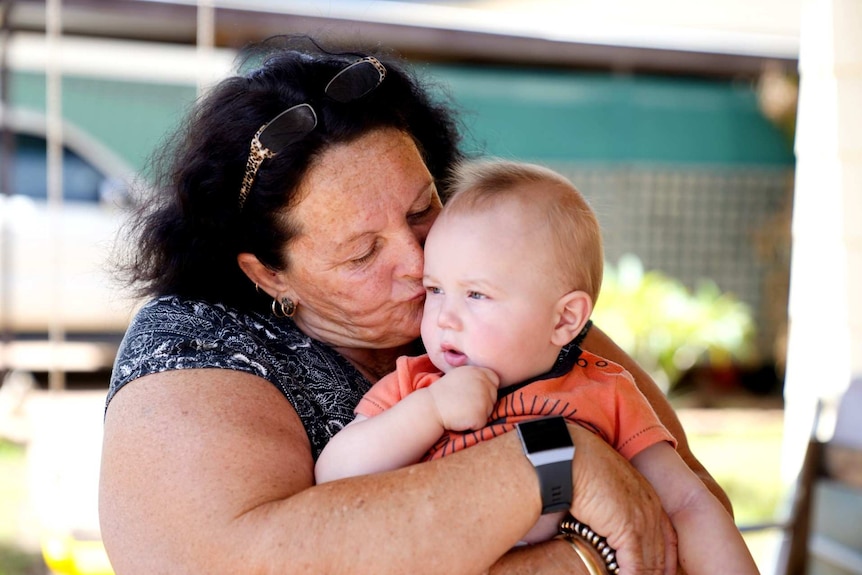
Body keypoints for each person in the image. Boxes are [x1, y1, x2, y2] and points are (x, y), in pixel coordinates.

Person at [99, 36, 728, 575]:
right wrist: (556, 464)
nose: (418, 259)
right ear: (269, 273)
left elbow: (692, 506)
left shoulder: (505, 304)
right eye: (362, 252)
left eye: (423, 209)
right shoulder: (194, 345)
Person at [315, 159, 759, 573]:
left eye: (476, 295)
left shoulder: (605, 392)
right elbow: (336, 475)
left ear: (565, 319)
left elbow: (687, 504)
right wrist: (431, 411)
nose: (444, 317)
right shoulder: (418, 385)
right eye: (435, 289)